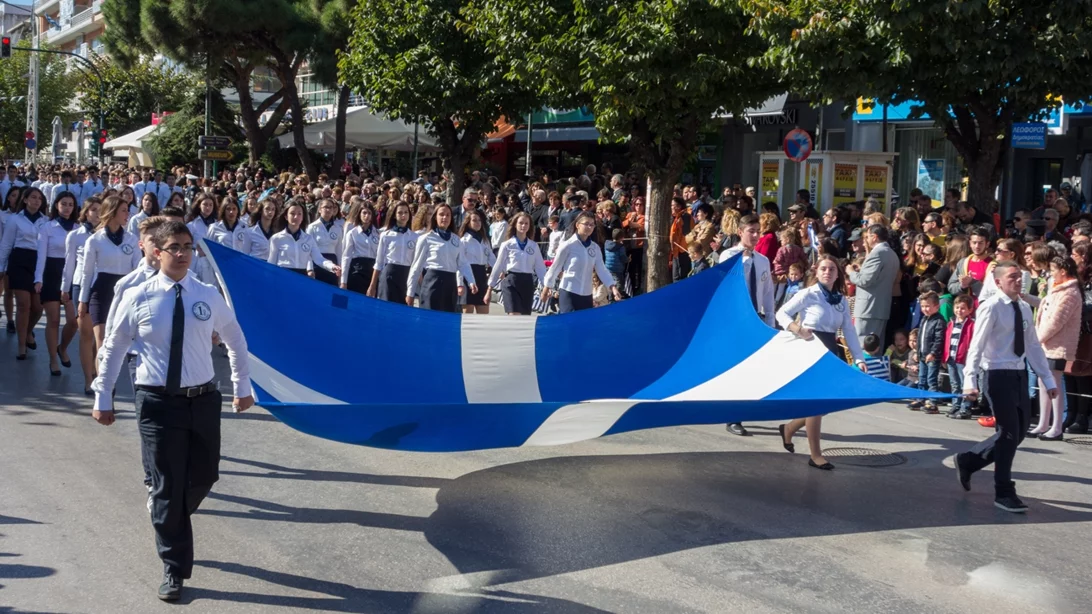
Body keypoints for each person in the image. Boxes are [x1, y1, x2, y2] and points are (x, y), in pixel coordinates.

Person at [90, 220, 253, 601]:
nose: (182, 254)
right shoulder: (139, 296)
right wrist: (103, 396)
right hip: (158, 401)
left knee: (204, 476)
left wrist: (242, 384)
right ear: (156, 252)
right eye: (174, 247)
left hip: (203, 399)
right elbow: (114, 349)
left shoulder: (208, 295)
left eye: (187, 246)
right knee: (167, 485)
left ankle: (167, 513)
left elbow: (235, 338)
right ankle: (174, 567)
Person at [955, 261, 1058, 514]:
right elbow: (976, 347)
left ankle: (969, 461)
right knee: (1009, 432)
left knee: (1019, 432)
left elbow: (1033, 346)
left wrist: (1048, 380)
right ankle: (1004, 491)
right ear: (998, 281)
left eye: (1020, 276)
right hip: (996, 374)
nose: (1018, 280)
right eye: (1012, 277)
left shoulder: (1023, 307)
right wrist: (970, 381)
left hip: (1019, 374)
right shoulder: (990, 307)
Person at [777, 255, 867, 470]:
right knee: (817, 403)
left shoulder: (841, 300)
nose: (827, 272)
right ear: (816, 272)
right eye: (824, 269)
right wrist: (797, 329)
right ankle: (816, 455)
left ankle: (789, 428)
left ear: (838, 274)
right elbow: (782, 313)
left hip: (830, 350)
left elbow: (848, 330)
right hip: (809, 349)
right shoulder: (808, 294)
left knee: (824, 404)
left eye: (832, 269)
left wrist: (859, 358)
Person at [718, 214, 775, 437]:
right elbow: (723, 289)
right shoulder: (728, 256)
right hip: (735, 319)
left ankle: (741, 407)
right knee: (736, 368)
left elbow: (768, 292)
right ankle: (733, 416)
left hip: (756, 317)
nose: (755, 235)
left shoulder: (763, 261)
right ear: (740, 232)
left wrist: (770, 320)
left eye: (758, 231)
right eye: (751, 231)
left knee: (752, 368)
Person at [1029, 257, 1083, 440]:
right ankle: (1043, 422)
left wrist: (1036, 340)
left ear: (1063, 271)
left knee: (1054, 384)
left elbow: (1056, 322)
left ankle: (1056, 426)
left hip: (1057, 345)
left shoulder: (1070, 292)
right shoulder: (1057, 288)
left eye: (1053, 270)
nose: (1051, 273)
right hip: (1046, 344)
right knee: (1043, 383)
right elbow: (1045, 307)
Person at [79, 196, 141, 352]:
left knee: (118, 341)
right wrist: (82, 300)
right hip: (101, 291)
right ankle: (99, 375)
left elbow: (138, 270)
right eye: (124, 211)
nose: (128, 214)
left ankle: (104, 374)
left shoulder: (131, 239)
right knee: (102, 340)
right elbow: (87, 272)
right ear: (112, 212)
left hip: (124, 292)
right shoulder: (95, 240)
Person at [0, 187, 50, 358]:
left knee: (37, 306)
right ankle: (21, 344)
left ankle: (28, 332)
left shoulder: (46, 221)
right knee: (23, 304)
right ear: (26, 200)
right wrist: (1, 267)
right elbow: (6, 244)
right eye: (33, 197)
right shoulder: (15, 219)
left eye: (39, 198)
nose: (36, 201)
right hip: (19, 260)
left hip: (39, 262)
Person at [34, 191, 80, 375]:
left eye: (71, 204)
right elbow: (41, 256)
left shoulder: (79, 228)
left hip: (71, 275)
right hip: (51, 273)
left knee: (73, 321)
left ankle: (62, 348)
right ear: (56, 206)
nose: (67, 207)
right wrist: (38, 279)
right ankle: (53, 359)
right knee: (53, 320)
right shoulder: (47, 227)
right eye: (64, 204)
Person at [542, 212, 623, 313]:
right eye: (586, 224)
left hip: (586, 294)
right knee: (569, 324)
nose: (589, 227)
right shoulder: (567, 245)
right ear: (577, 225)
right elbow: (555, 268)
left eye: (592, 224)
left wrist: (613, 287)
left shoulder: (595, 248)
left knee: (583, 326)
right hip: (569, 291)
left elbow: (602, 269)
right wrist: (546, 288)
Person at [407, 204, 476, 312]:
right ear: (435, 217)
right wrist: (410, 292)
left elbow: (463, 263)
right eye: (441, 214)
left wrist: (471, 281)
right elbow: (416, 267)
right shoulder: (426, 238)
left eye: (448, 215)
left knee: (447, 320)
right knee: (430, 320)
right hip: (432, 283)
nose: (445, 218)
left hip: (450, 284)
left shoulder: (456, 240)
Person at [847, 225, 900, 347]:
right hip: (881, 308)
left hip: (868, 309)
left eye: (867, 237)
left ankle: (862, 367)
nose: (866, 240)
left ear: (874, 237)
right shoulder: (892, 254)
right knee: (876, 347)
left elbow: (865, 281)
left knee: (863, 346)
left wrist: (851, 272)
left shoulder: (877, 253)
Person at [488, 212, 547, 315]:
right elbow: (498, 267)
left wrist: (546, 286)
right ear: (515, 224)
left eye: (526, 223)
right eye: (520, 223)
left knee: (524, 318)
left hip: (527, 282)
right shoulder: (507, 244)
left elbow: (540, 268)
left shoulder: (533, 246)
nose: (523, 226)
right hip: (511, 281)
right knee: (514, 315)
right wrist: (490, 288)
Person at [268, 201, 340, 279]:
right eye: (292, 213)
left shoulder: (308, 239)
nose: (296, 217)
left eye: (299, 214)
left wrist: (332, 266)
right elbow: (271, 264)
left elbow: (319, 259)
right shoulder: (276, 238)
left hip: (301, 278)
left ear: (302, 217)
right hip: (283, 277)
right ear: (286, 216)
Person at [368, 200, 415, 302]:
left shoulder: (415, 237)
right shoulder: (386, 235)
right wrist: (372, 285)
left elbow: (415, 262)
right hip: (389, 274)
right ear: (394, 215)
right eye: (400, 212)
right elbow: (379, 262)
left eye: (406, 212)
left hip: (406, 275)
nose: (403, 215)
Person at [908, 292, 944, 414]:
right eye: (923, 306)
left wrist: (933, 353)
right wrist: (917, 352)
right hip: (923, 354)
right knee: (922, 378)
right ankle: (921, 399)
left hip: (932, 356)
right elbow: (919, 338)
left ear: (937, 306)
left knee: (931, 379)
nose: (925, 309)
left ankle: (933, 402)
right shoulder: (924, 319)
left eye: (928, 306)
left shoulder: (939, 321)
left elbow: (939, 339)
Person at [943, 294, 976, 420]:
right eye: (957, 308)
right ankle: (956, 404)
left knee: (965, 384)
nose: (959, 311)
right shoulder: (951, 323)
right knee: (954, 383)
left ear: (969, 310)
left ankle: (966, 407)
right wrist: (944, 357)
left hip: (964, 359)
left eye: (963, 308)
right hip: (951, 358)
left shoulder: (971, 325)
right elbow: (947, 341)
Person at [457, 209, 495, 314]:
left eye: (479, 220)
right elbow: (460, 264)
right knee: (467, 315)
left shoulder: (485, 240)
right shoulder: (463, 241)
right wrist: (459, 284)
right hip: (468, 277)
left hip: (482, 275)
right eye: (474, 220)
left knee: (483, 312)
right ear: (468, 223)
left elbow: (491, 258)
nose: (478, 223)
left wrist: (499, 271)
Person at [340, 202, 380, 295]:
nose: (367, 216)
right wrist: (343, 281)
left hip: (372, 270)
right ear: (359, 214)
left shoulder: (378, 234)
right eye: (364, 213)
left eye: (369, 213)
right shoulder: (352, 233)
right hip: (357, 270)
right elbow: (346, 257)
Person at [305, 198, 344, 286]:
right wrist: (310, 269)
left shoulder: (338, 228)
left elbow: (339, 250)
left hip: (333, 263)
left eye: (331, 207)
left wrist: (340, 268)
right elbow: (308, 250)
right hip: (317, 262)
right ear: (319, 209)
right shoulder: (312, 227)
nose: (329, 210)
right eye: (326, 207)